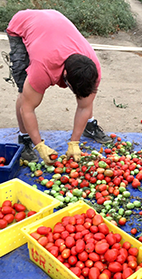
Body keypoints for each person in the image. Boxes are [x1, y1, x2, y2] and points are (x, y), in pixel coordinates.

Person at [6, 9, 112, 164]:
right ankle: (25, 138)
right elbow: (27, 108)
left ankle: (88, 126)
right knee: (24, 92)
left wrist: (74, 143)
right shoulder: (42, 68)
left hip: (54, 22)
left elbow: (85, 105)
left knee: (85, 95)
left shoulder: (93, 68)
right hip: (22, 25)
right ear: (65, 75)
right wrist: (39, 146)